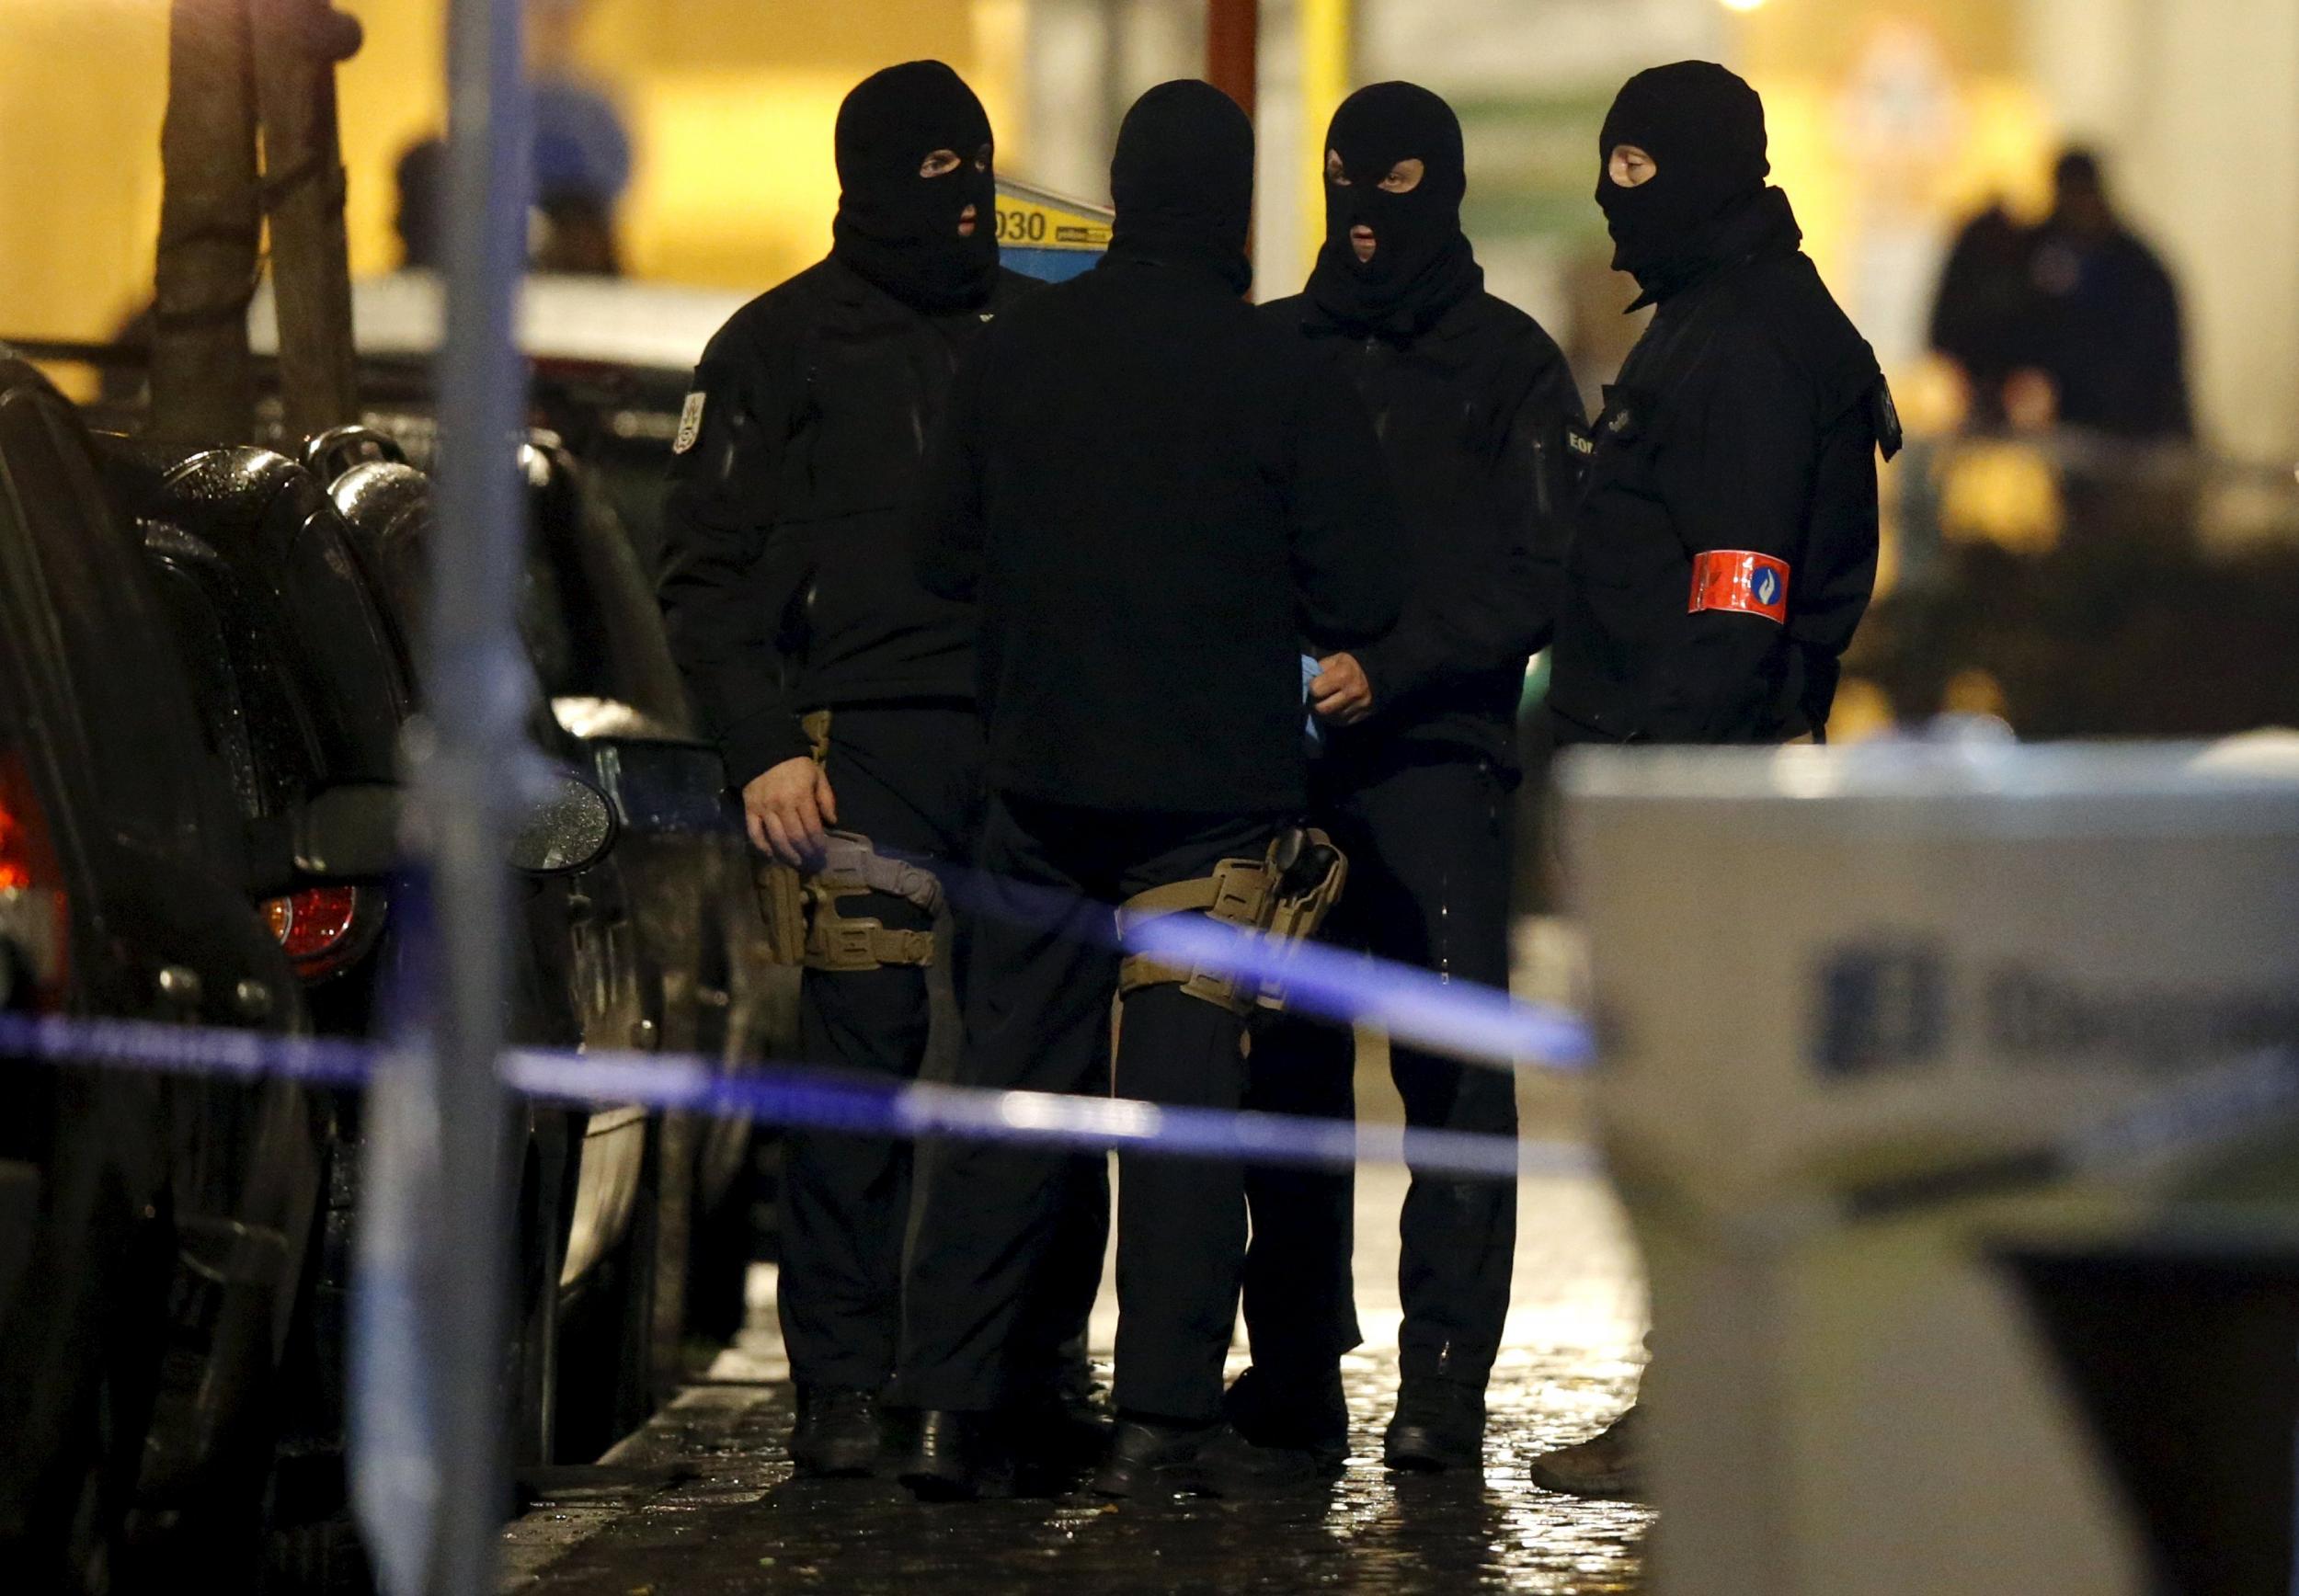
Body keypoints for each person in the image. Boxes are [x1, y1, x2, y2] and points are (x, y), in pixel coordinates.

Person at [892, 78, 1402, 1502]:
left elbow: (937, 556)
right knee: (1183, 1113)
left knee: (1009, 1097)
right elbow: (1365, 585)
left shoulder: (1015, 357)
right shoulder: (1281, 372)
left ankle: (943, 1402)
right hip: (1209, 807)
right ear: (1234, 204)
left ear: (1119, 193)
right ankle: (1164, 1420)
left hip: (1039, 787)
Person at [658, 60, 1104, 1479]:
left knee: (1037, 1071)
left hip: (1031, 750)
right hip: (863, 761)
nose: (965, 202)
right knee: (861, 1066)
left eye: (976, 171)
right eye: (938, 174)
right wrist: (765, 749)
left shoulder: (1044, 338)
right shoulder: (776, 349)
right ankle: (843, 1384)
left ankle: (1025, 1363)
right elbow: (707, 578)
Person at [1530, 62, 1899, 1496]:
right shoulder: (1720, 319)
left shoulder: (1742, 343)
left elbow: (1733, 599)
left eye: (1634, 170)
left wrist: (1641, 800)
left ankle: (1706, 1409)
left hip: (1693, 791)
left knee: (1700, 1130)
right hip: (1690, 781)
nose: (1614, 200)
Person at [1236, 81, 1584, 1475]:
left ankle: (1442, 1385)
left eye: (1391, 189)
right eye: (1347, 185)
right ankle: (1300, 1367)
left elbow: (1544, 567)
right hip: (1295, 774)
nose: (1367, 223)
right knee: (1295, 1080)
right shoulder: (1274, 352)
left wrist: (1401, 664)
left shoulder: (1507, 368)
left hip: (1441, 766)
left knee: (1453, 1087)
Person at [2022, 148, 2190, 441]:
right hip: (2076, 434)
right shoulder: (2046, 254)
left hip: (2138, 436)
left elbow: (2149, 365)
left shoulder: (2138, 271)